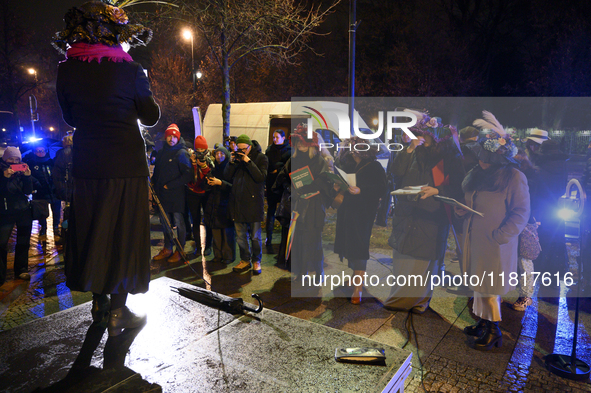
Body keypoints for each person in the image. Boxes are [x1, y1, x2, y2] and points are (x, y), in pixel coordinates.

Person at [54, 1, 160, 336]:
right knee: (123, 234)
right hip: (126, 164)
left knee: (94, 231)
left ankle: (99, 306)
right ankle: (118, 313)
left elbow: (70, 118)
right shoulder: (130, 70)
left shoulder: (67, 69)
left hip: (87, 164)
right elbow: (150, 116)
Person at [458, 111, 530, 351]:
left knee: (490, 287)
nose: (481, 161)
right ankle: (482, 321)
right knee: (479, 284)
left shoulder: (514, 177)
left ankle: (494, 329)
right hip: (475, 238)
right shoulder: (478, 174)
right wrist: (462, 211)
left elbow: (520, 213)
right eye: (480, 156)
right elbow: (473, 202)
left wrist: (501, 236)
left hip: (495, 243)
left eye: (487, 157)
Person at [385, 112, 465, 312]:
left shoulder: (449, 158)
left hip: (431, 217)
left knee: (423, 264)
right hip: (407, 214)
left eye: (425, 135)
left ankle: (418, 301)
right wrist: (410, 148)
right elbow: (396, 172)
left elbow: (459, 186)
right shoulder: (415, 151)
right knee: (403, 261)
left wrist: (438, 190)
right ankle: (399, 299)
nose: (422, 138)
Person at [334, 136, 387, 304]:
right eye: (350, 148)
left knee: (359, 244)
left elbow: (382, 189)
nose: (352, 151)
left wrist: (361, 190)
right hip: (347, 210)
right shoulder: (350, 165)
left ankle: (358, 286)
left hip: (363, 212)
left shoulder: (375, 166)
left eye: (355, 148)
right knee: (348, 243)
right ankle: (354, 278)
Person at [283, 125, 333, 280]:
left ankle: (319, 271)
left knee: (314, 240)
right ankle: (302, 271)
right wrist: (294, 188)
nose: (300, 144)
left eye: (303, 142)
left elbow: (325, 183)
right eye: (298, 141)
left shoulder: (318, 161)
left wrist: (309, 186)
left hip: (314, 207)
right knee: (298, 240)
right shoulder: (293, 160)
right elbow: (284, 178)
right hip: (298, 205)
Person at [225, 134, 268, 275]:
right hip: (237, 202)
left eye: (245, 149)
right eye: (240, 149)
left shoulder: (261, 158)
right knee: (241, 237)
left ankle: (257, 260)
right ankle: (245, 259)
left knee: (255, 237)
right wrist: (231, 162)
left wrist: (248, 161)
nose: (242, 151)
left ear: (250, 146)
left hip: (254, 203)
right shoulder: (236, 159)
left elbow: (260, 177)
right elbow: (227, 177)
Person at [151, 124, 193, 263]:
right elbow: (157, 172)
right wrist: (154, 185)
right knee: (165, 223)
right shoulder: (162, 152)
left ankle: (179, 250)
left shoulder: (181, 153)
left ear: (178, 138)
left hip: (177, 197)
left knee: (179, 224)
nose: (171, 139)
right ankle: (168, 248)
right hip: (162, 196)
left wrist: (170, 185)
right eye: (169, 136)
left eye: (174, 136)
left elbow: (188, 175)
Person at [0, 147, 33, 284]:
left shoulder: (22, 170)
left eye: (17, 159)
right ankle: (0, 275)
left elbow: (28, 190)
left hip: (23, 210)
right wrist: (3, 178)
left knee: (23, 242)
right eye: (11, 159)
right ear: (4, 159)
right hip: (5, 211)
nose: (14, 161)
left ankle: (21, 269)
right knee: (1, 244)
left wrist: (27, 177)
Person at [204, 145, 235, 264]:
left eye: (221, 153)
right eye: (217, 154)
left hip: (226, 204)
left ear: (226, 155)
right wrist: (208, 183)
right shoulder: (213, 169)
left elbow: (233, 187)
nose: (219, 156)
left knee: (227, 233)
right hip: (213, 204)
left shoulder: (231, 169)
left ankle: (228, 256)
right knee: (216, 231)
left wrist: (220, 183)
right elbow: (206, 187)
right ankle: (218, 255)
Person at [23, 145, 61, 240]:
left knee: (56, 209)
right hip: (40, 191)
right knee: (41, 211)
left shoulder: (51, 162)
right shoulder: (31, 163)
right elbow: (29, 176)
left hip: (53, 190)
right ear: (34, 152)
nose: (40, 152)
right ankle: (43, 228)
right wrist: (36, 183)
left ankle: (56, 227)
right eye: (38, 151)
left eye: (42, 150)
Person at [186, 136, 214, 257]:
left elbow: (211, 175)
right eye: (198, 149)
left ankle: (208, 246)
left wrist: (202, 166)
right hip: (193, 193)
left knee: (208, 220)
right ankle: (198, 246)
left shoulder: (210, 159)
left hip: (206, 193)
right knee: (196, 220)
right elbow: (188, 176)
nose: (201, 152)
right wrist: (193, 164)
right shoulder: (190, 158)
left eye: (203, 149)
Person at [264, 129, 291, 246]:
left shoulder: (289, 150)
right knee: (270, 211)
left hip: (283, 186)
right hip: (271, 184)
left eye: (277, 137)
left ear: (283, 138)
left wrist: (278, 171)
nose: (274, 139)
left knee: (284, 212)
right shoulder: (270, 150)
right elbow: (266, 165)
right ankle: (268, 238)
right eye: (273, 137)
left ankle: (283, 239)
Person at [52, 135, 74, 242]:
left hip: (66, 189)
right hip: (77, 188)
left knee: (67, 211)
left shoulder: (60, 154)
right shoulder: (78, 152)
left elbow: (56, 174)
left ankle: (66, 235)